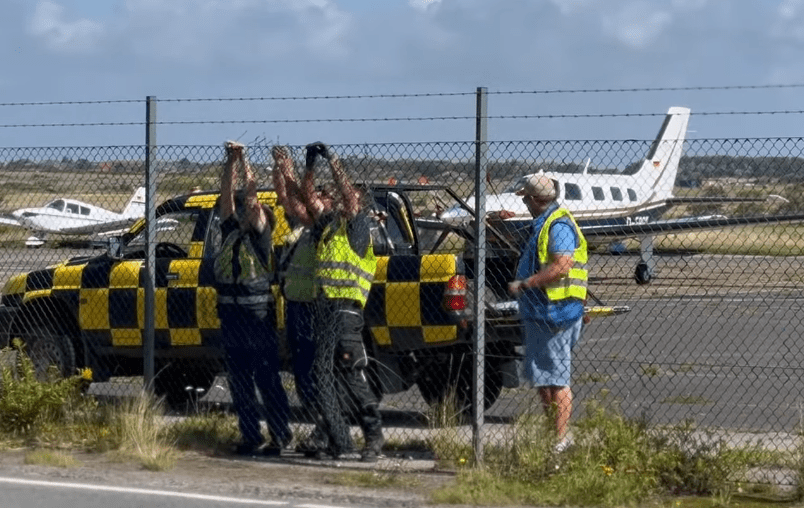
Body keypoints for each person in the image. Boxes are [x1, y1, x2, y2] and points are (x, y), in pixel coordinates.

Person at [297, 141, 384, 462]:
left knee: (349, 374)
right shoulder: (329, 229)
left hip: (346, 312)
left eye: (352, 200)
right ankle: (330, 438)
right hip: (324, 310)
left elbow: (347, 197)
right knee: (326, 378)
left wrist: (332, 160)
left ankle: (373, 435)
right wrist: (309, 166)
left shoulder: (358, 230)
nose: (343, 202)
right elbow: (307, 198)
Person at [213, 140, 291, 457]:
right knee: (239, 381)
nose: (251, 207)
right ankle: (250, 436)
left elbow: (251, 194)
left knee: (266, 379)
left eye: (256, 208)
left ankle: (280, 436)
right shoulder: (231, 227)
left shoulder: (261, 236)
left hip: (257, 317)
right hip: (231, 317)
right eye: (248, 206)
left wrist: (246, 163)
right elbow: (229, 195)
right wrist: (232, 161)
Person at [507, 174, 588, 454]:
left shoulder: (557, 225)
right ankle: (553, 435)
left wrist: (529, 283)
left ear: (532, 199)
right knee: (545, 379)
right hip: (545, 312)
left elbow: (563, 264)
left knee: (556, 379)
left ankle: (560, 439)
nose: (525, 203)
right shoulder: (543, 224)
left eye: (526, 198)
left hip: (556, 313)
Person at [271, 145, 336, 454]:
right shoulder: (303, 228)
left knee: (313, 371)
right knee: (301, 372)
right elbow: (287, 198)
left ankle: (326, 429)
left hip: (313, 307)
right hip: (295, 306)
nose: (317, 199)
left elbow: (300, 196)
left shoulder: (325, 226)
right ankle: (320, 427)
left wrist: (292, 169)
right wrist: (280, 169)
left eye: (324, 196)